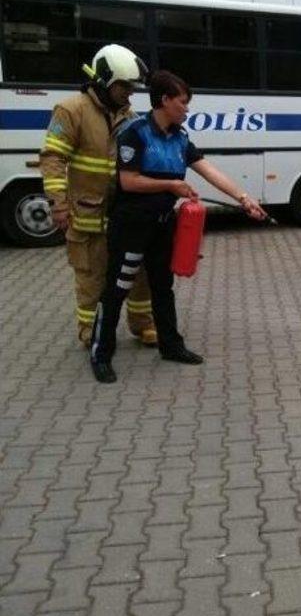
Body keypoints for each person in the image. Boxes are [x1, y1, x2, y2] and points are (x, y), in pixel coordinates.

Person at [89, 70, 267, 383]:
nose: (187, 108)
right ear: (165, 100)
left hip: (161, 226)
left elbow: (208, 169)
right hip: (132, 225)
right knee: (117, 290)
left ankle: (171, 347)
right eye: (183, 102)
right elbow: (128, 182)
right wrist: (172, 184)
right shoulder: (135, 132)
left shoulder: (180, 137)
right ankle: (101, 354)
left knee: (163, 288)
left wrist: (243, 198)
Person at [40, 44, 157, 348]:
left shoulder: (130, 117)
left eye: (131, 88)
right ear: (104, 79)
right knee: (91, 277)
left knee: (138, 272)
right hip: (86, 215)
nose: (129, 93)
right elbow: (53, 158)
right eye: (124, 86)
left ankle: (143, 325)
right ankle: (90, 331)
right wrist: (58, 205)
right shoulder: (71, 111)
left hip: (123, 214)